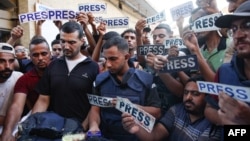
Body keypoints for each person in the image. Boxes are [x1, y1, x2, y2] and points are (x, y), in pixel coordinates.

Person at [88, 36, 161, 141]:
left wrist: (130, 107)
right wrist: (93, 126)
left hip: (136, 136)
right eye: (106, 59)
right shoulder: (100, 80)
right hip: (107, 136)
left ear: (126, 57)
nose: (107, 64)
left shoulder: (146, 80)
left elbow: (157, 112)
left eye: (113, 59)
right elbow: (95, 109)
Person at [31, 21, 99, 130]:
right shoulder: (53, 66)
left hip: (79, 129)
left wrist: (82, 128)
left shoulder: (93, 67)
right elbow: (43, 99)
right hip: (54, 128)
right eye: (63, 41)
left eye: (71, 42)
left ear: (82, 41)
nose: (66, 46)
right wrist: (32, 123)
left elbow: (95, 105)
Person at [121, 75, 222, 141]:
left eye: (195, 94)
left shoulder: (213, 127)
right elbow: (155, 136)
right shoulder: (176, 110)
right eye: (186, 92)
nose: (188, 98)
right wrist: (136, 128)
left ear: (208, 98)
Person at [204, 0, 250, 125]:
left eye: (248, 25)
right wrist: (226, 120)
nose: (238, 35)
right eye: (234, 29)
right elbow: (209, 108)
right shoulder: (224, 71)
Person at [0, 36, 52, 140]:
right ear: (30, 57)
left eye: (44, 54)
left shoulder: (62, 71)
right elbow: (17, 106)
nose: (40, 58)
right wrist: (7, 132)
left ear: (50, 54)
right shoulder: (23, 79)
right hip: (37, 121)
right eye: (36, 55)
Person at [0, 43, 23, 134]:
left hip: (15, 130)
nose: (7, 66)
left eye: (11, 61)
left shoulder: (19, 78)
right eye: (1, 61)